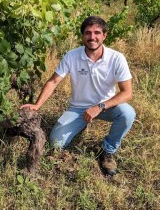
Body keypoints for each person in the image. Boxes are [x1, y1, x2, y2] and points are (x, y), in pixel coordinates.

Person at [20, 16, 136, 176]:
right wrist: (37, 105)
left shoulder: (116, 58)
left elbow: (127, 93)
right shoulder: (72, 56)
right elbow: (53, 82)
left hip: (106, 106)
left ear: (105, 35)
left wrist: (99, 107)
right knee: (55, 142)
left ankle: (107, 150)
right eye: (88, 33)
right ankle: (81, 123)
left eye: (97, 33)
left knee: (128, 113)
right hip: (78, 108)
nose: (92, 37)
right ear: (83, 36)